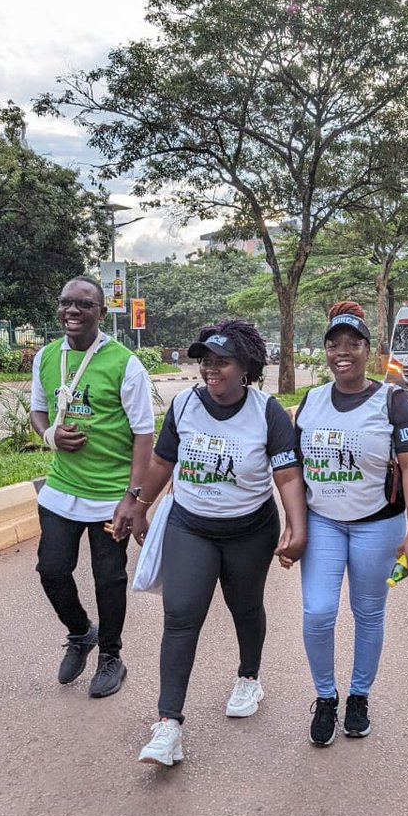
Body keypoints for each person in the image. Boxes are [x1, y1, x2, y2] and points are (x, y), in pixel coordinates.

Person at [127, 321, 308, 767]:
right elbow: (162, 461)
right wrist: (138, 505)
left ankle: (249, 677)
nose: (211, 369)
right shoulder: (184, 404)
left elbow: (286, 475)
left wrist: (295, 526)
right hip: (192, 527)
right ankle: (168, 725)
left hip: (250, 529)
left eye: (221, 362)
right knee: (181, 615)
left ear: (244, 367)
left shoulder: (267, 412)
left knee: (245, 607)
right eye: (206, 361)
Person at [295, 301, 408, 746]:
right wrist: (293, 526)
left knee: (368, 612)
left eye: (352, 343)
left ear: (367, 350)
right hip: (323, 524)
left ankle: (358, 696)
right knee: (318, 611)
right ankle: (326, 697)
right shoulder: (310, 402)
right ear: (326, 353)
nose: (342, 352)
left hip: (379, 524)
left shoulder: (393, 401)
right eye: (334, 345)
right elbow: (293, 471)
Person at [30, 277, 155, 698]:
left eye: (84, 304)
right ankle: (81, 633)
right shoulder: (47, 358)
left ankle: (111, 657)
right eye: (66, 302)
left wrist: (132, 497)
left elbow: (143, 433)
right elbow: (38, 411)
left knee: (108, 578)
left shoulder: (124, 363)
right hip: (62, 490)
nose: (73, 310)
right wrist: (50, 437)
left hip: (110, 496)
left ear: (102, 313)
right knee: (51, 569)